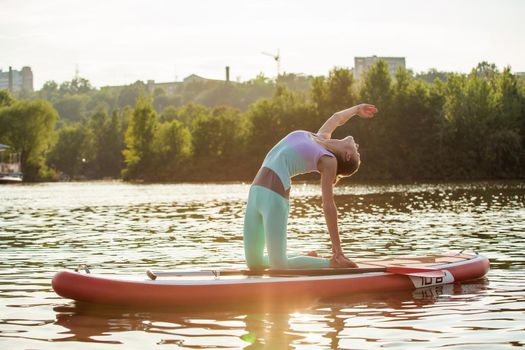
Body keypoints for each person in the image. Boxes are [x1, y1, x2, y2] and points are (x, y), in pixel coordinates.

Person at [243, 103, 378, 270]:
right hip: (256, 191)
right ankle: (304, 258)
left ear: (347, 155)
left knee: (279, 267)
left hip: (274, 195)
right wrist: (357, 109)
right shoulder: (320, 136)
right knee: (254, 263)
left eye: (357, 153)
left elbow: (328, 205)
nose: (358, 147)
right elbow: (337, 118)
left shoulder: (329, 160)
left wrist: (338, 250)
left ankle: (331, 263)